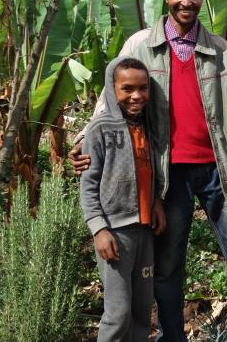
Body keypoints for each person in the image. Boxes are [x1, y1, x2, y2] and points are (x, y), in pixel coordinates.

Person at [71, 0, 227, 342]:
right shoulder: (139, 47)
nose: (186, 1)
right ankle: (173, 336)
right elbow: (108, 104)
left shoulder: (221, 51)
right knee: (167, 267)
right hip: (167, 175)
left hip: (218, 169)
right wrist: (84, 142)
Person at [80, 56, 167, 342]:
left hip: (144, 230)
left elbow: (149, 169)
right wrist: (99, 229)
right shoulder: (100, 129)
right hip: (115, 233)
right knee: (118, 313)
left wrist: (155, 201)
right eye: (127, 88)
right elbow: (88, 184)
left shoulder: (148, 126)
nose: (136, 96)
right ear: (111, 88)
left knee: (142, 310)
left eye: (143, 88)